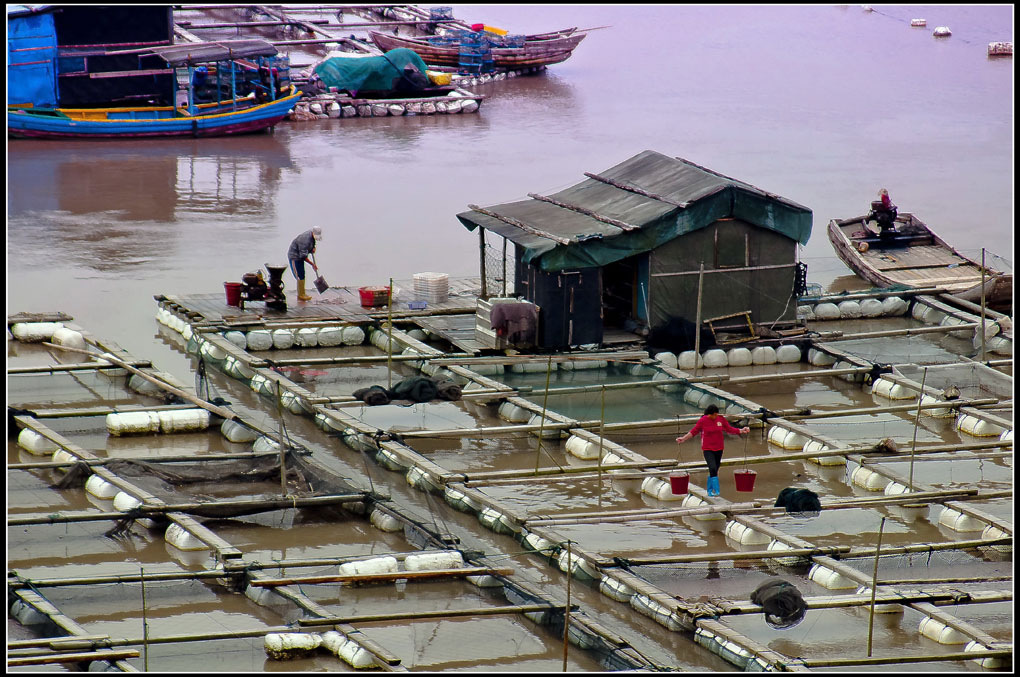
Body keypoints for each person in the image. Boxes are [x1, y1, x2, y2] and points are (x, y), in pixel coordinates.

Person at [676, 404, 750, 496]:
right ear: (709, 414)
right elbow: (693, 431)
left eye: (717, 414)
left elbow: (729, 429)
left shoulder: (721, 419)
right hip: (708, 449)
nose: (716, 416)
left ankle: (709, 490)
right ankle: (716, 489)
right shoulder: (703, 421)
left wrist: (741, 430)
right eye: (714, 415)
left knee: (715, 470)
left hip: (719, 448)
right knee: (712, 467)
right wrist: (683, 438)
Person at [288, 227, 321, 302]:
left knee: (302, 274)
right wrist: (312, 264)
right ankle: (300, 295)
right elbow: (303, 256)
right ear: (312, 232)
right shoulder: (304, 240)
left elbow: (312, 243)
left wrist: (313, 248)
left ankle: (303, 293)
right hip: (294, 256)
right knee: (299, 275)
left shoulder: (311, 236)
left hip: (300, 256)